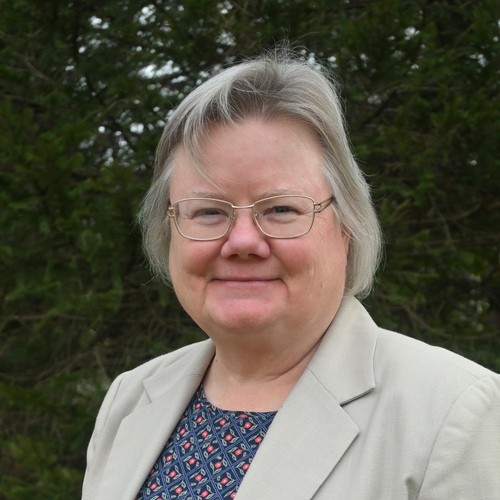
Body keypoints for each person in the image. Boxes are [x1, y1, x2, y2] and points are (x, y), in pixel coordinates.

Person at [82, 50, 500, 500]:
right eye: (207, 212)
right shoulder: (130, 399)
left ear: (346, 227)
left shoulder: (454, 412)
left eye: (281, 209)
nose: (242, 241)